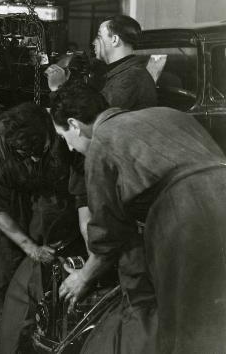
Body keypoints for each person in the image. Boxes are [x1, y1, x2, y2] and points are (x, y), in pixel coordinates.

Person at [50, 82, 226, 353]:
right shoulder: (168, 114)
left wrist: (83, 277)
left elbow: (108, 234)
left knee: (184, 325)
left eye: (64, 137)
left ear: (74, 124)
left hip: (188, 219)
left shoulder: (102, 142)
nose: (71, 148)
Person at [0, 102, 85, 354]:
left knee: (54, 271)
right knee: (5, 272)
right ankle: (2, 345)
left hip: (56, 198)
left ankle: (53, 337)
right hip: (11, 202)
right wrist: (30, 247)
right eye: (26, 154)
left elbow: (83, 191)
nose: (35, 158)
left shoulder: (61, 132)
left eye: (40, 150)